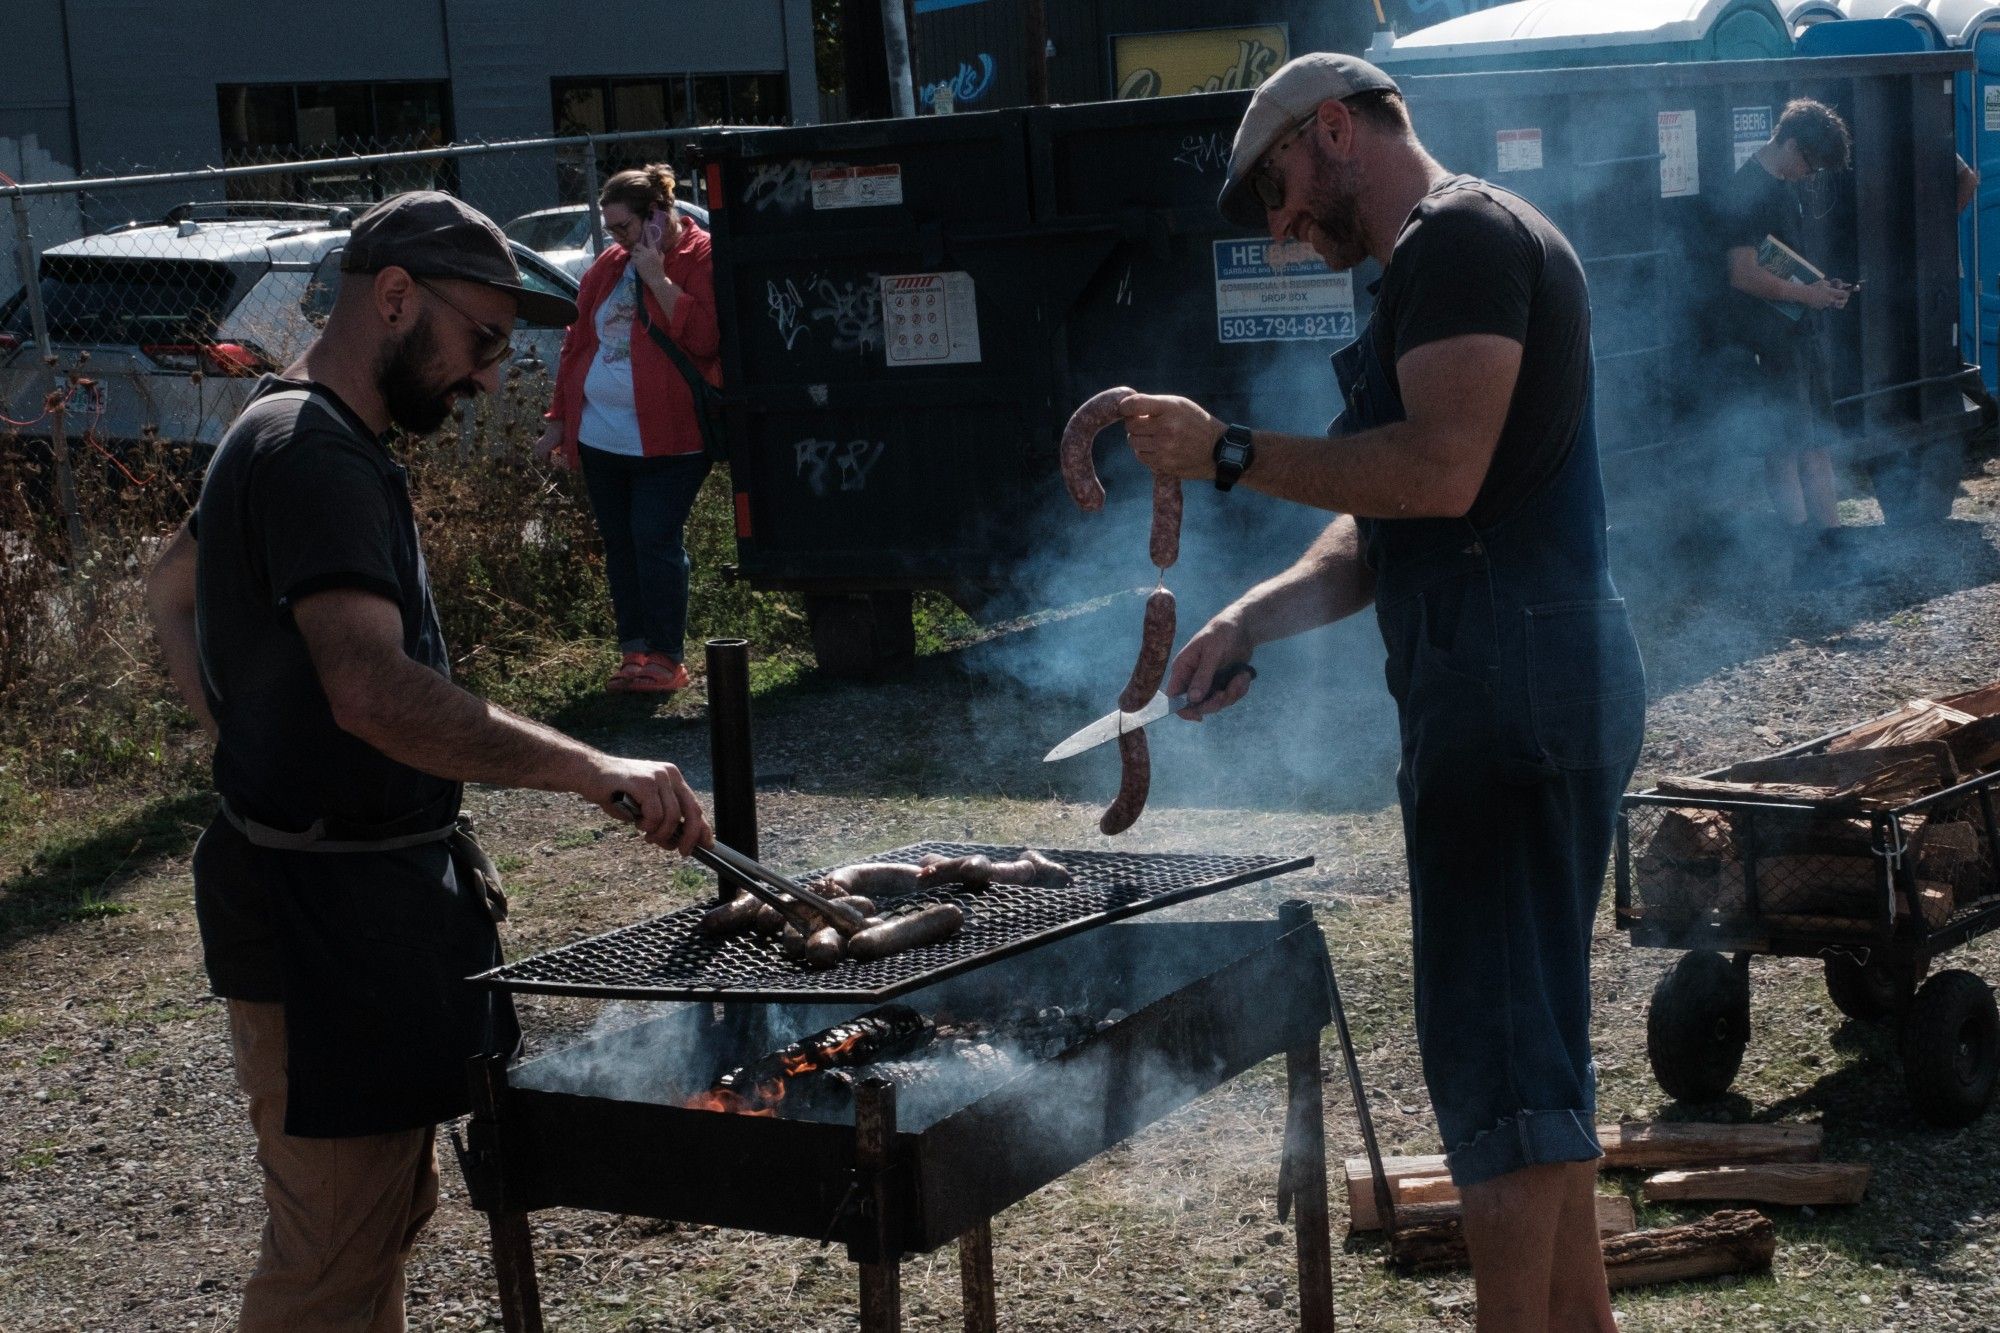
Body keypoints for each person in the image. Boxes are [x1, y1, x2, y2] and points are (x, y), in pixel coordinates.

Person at [1113, 55, 1644, 1332]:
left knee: (1500, 1069)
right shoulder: (1432, 257)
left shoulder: (1458, 236)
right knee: (1535, 1051)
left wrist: (1226, 452)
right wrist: (1251, 617)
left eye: (1279, 189)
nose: (1281, 225)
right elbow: (1382, 518)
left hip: (1508, 693)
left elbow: (1441, 468)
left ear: (1334, 129)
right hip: (1520, 683)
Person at [144, 190, 712, 1333]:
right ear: (394, 298)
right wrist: (590, 768)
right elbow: (371, 690)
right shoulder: (314, 455)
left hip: (347, 894)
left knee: (376, 1221)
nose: (491, 376)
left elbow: (168, 590)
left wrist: (245, 742)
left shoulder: (280, 426)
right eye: (483, 340)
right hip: (319, 919)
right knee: (330, 1249)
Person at [534, 164, 720, 694]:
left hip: (673, 438)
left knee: (654, 538)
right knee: (621, 544)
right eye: (610, 228)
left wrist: (658, 276)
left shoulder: (700, 256)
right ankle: (634, 651)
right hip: (602, 437)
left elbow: (706, 338)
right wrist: (559, 422)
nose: (616, 239)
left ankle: (667, 656)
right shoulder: (609, 267)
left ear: (657, 217)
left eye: (624, 227)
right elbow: (576, 346)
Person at [1708, 99, 1857, 583]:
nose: (1809, 173)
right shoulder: (1748, 190)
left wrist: (1820, 292)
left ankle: (1835, 547)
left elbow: (1782, 264)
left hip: (1798, 333)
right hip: (1768, 340)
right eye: (1809, 162)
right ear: (1790, 143)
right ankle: (1805, 557)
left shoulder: (1783, 187)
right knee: (1785, 447)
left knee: (1815, 442)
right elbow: (1742, 274)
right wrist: (1807, 295)